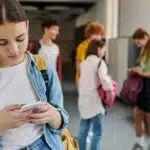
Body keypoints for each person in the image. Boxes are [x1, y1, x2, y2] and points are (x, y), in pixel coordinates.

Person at [0, 0, 69, 150]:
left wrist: (52, 116)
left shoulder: (42, 67)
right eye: (2, 42)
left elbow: (62, 119)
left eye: (20, 39)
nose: (14, 49)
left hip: (45, 144)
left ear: (27, 26)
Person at [77, 39, 113, 150]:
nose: (105, 51)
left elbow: (82, 81)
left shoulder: (84, 63)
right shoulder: (99, 63)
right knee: (97, 132)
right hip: (96, 102)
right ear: (98, 49)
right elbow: (104, 81)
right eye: (103, 49)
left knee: (83, 131)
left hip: (84, 101)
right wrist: (110, 89)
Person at [129, 38, 150, 149]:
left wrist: (141, 72)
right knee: (138, 114)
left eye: (138, 42)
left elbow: (146, 71)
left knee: (147, 116)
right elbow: (142, 67)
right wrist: (135, 70)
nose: (138, 45)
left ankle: (144, 142)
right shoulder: (144, 52)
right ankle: (141, 142)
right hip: (142, 87)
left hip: (148, 88)